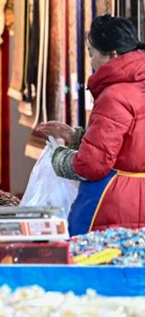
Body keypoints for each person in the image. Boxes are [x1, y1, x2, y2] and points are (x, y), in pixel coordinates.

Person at [36, 15, 145, 235]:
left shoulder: (115, 95)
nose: (91, 61)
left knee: (101, 263)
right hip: (137, 198)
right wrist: (76, 137)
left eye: (91, 53)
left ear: (112, 55)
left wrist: (57, 156)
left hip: (113, 201)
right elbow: (130, 143)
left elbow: (92, 165)